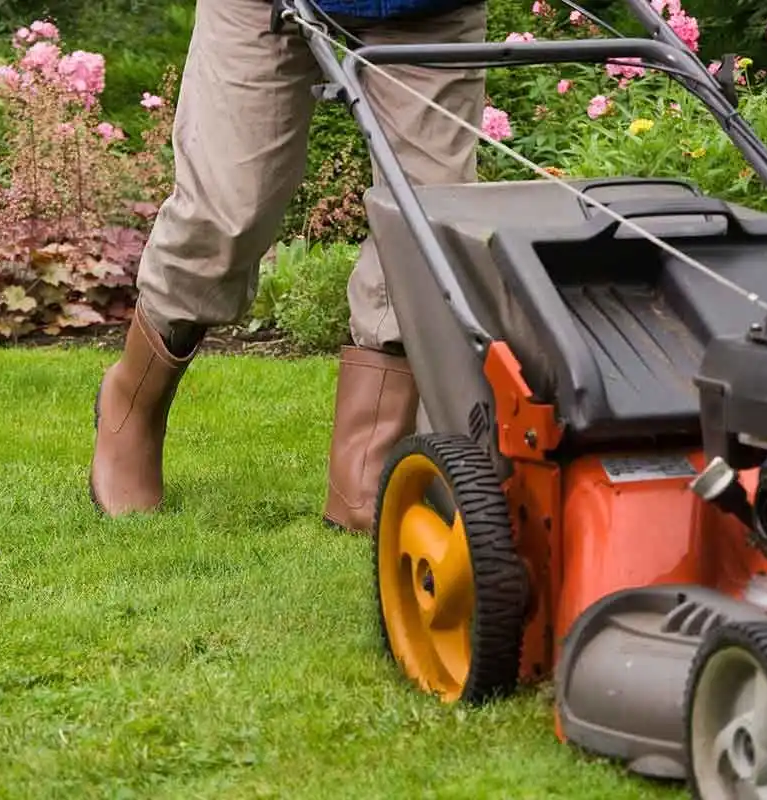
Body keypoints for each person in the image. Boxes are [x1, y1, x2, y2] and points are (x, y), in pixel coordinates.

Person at [89, 0, 488, 534]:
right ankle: (132, 399)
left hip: (425, 10)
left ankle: (365, 472)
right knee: (228, 210)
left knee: (424, 224)